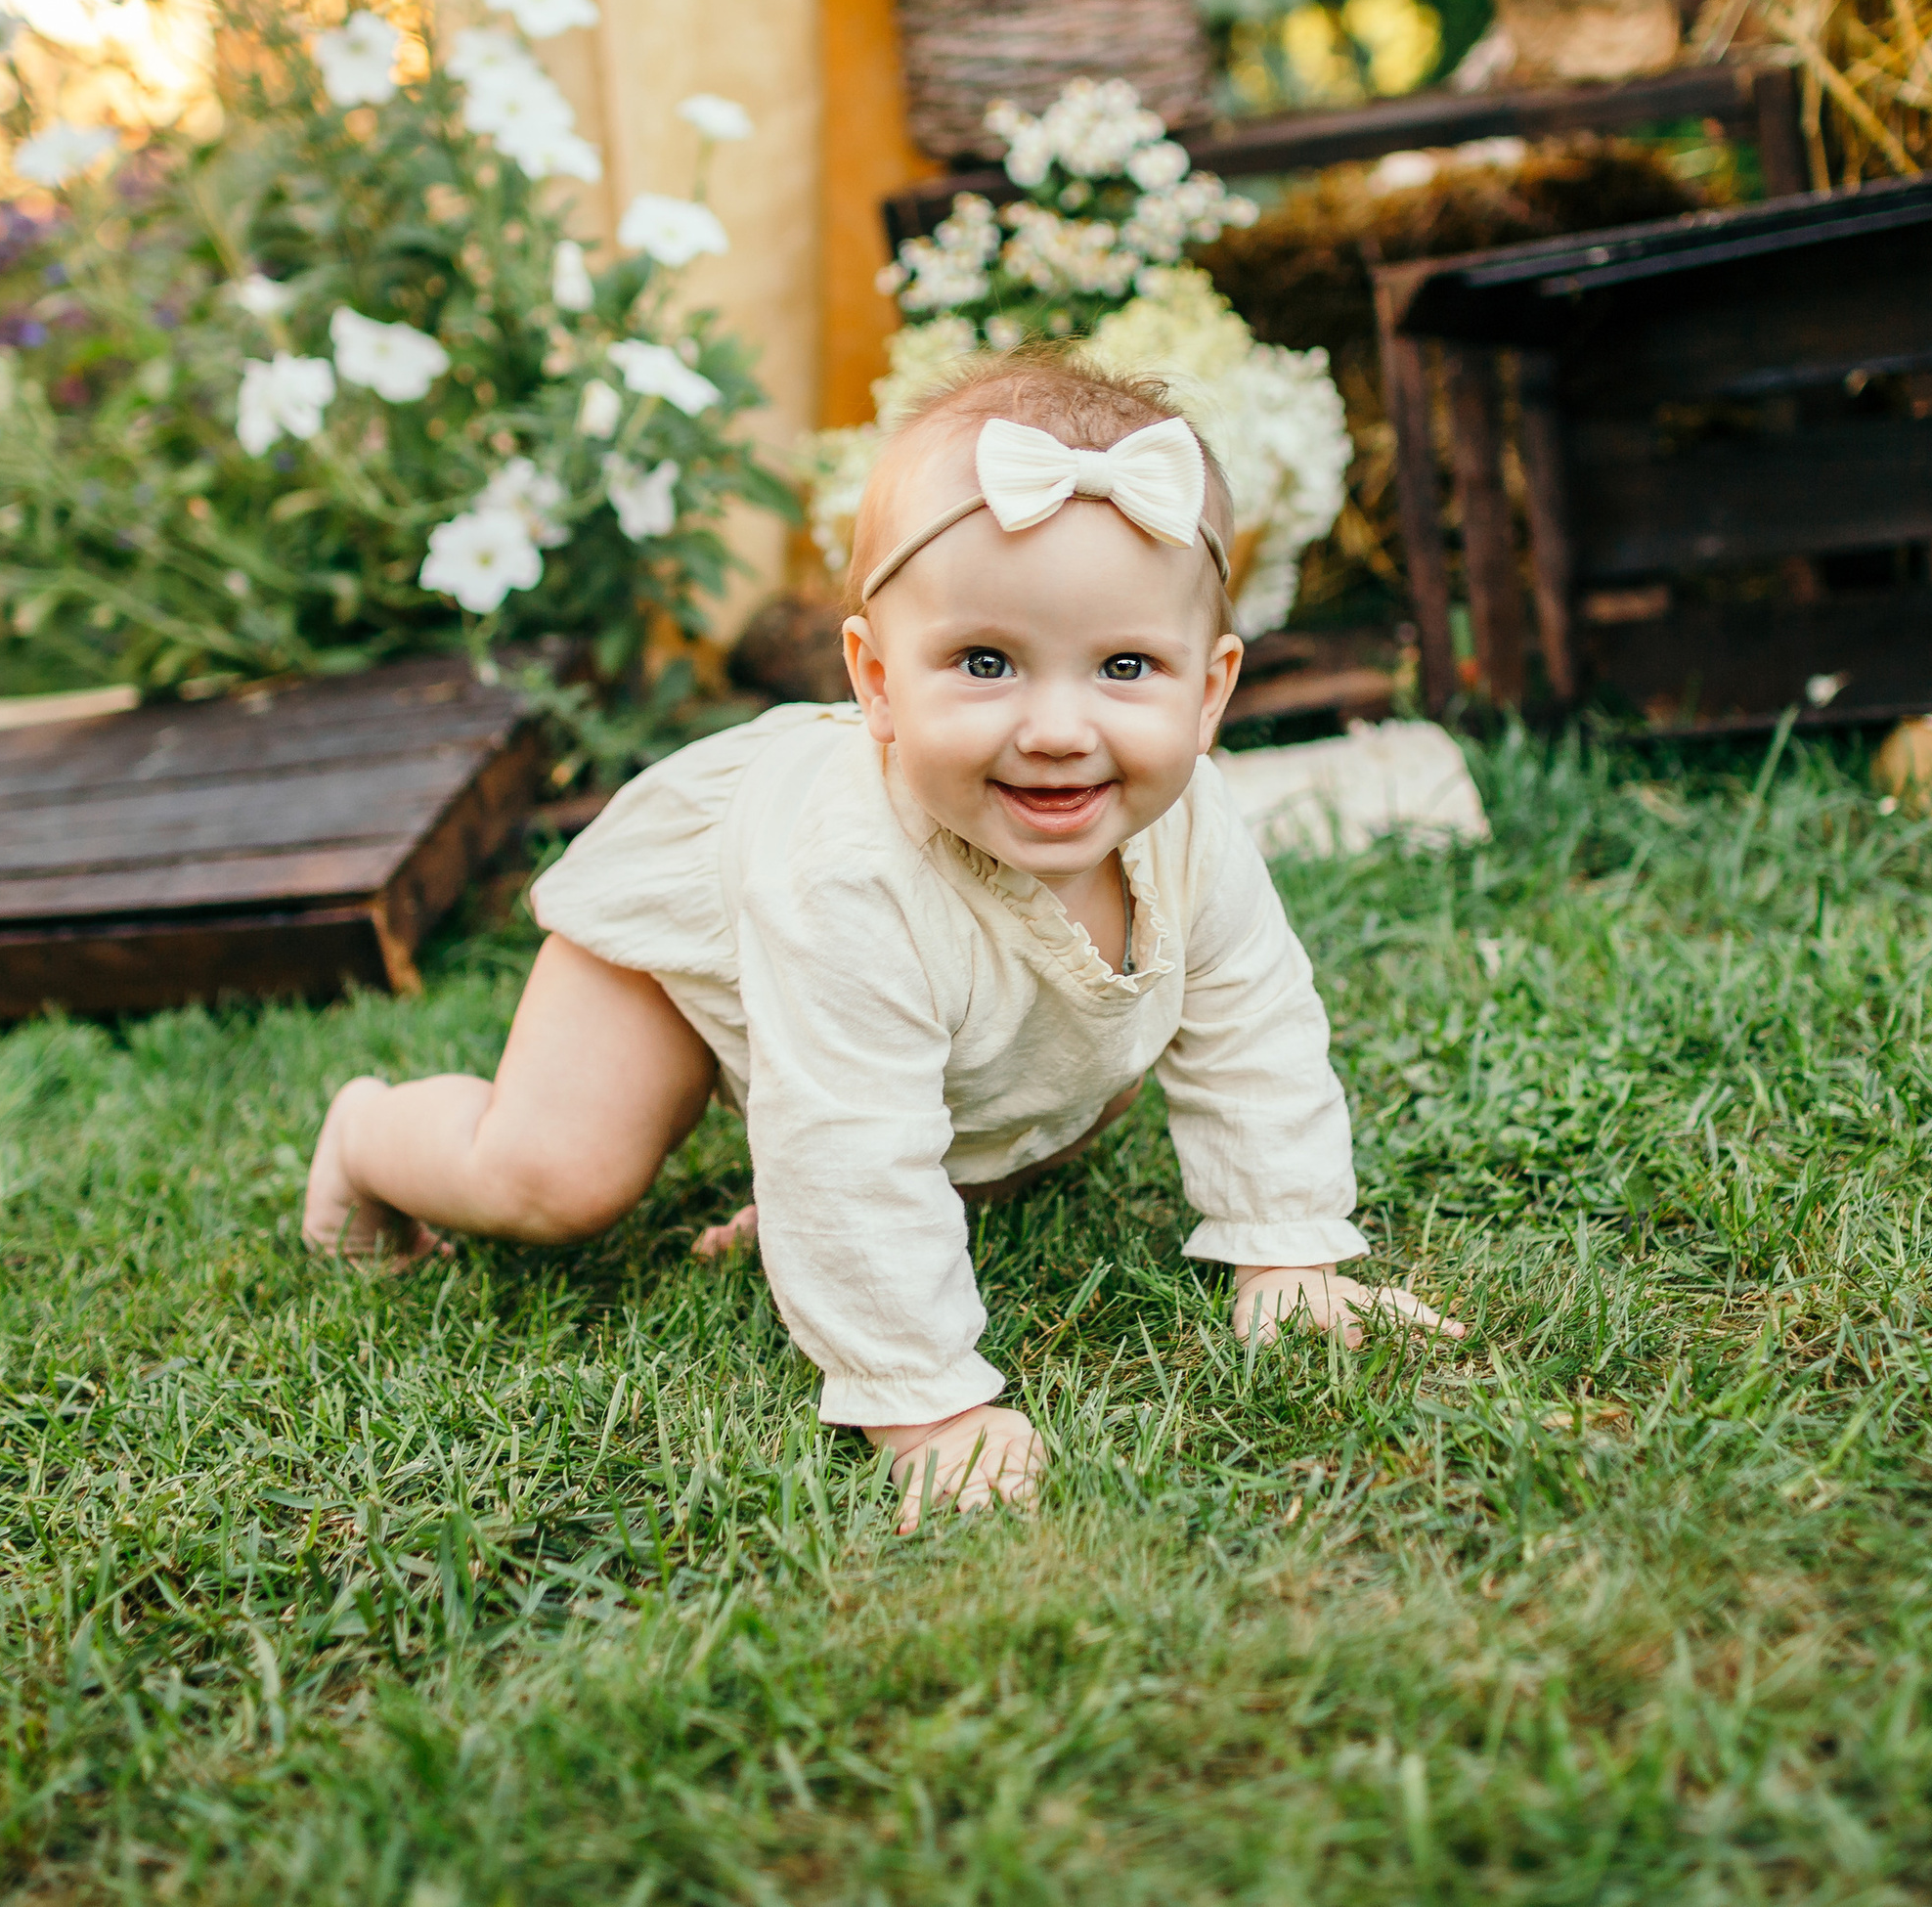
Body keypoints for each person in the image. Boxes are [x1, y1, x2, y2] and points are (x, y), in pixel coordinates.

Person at [302, 350, 1463, 1530]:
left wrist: (1287, 1253)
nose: (1057, 729)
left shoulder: (1192, 825)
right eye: (983, 663)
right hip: (689, 932)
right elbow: (846, 1131)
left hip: (910, 1017)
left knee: (1059, 1082)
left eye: (1124, 668)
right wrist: (930, 1408)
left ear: (1210, 692)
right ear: (875, 678)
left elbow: (1252, 1026)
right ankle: (369, 1136)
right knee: (557, 1177)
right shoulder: (849, 870)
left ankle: (812, 1207)